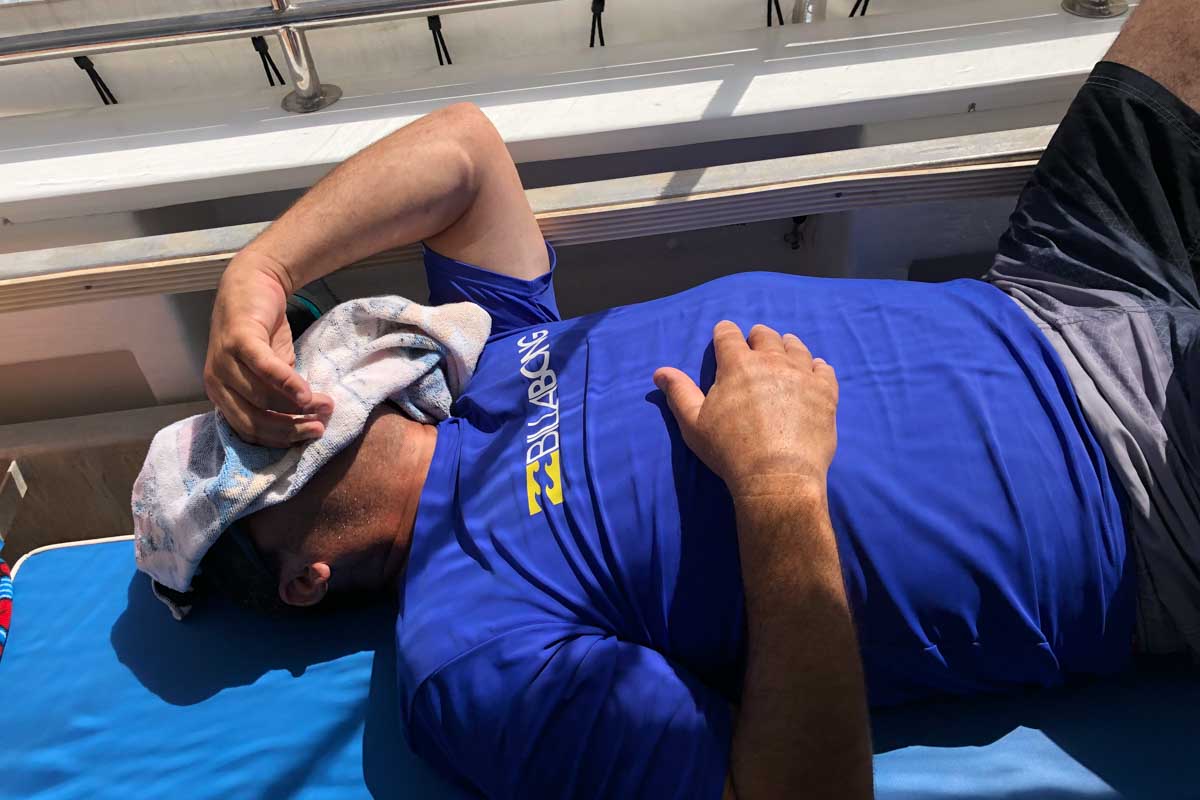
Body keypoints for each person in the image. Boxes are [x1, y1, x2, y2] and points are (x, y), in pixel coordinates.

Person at [198, 1, 1199, 797]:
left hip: (1058, 286)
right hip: (1147, 496)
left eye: (235, 406)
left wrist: (262, 272)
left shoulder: (478, 366)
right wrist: (777, 483)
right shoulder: (467, 648)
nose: (266, 404)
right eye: (241, 460)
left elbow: (464, 151)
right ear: (304, 575)